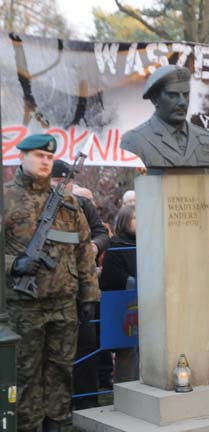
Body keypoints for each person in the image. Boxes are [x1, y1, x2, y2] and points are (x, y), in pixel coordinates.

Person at [4, 134, 100, 432]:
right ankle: (27, 427)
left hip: (64, 304)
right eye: (38, 155)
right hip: (23, 306)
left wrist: (89, 296)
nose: (45, 161)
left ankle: (58, 425)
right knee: (26, 374)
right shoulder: (6, 198)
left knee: (61, 371)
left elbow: (84, 249)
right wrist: (14, 264)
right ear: (22, 157)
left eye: (49, 157)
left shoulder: (69, 202)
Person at [50, 160, 110, 410]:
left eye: (68, 181)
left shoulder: (82, 204)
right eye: (57, 181)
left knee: (86, 346)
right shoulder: (36, 206)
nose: (63, 185)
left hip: (82, 287)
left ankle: (87, 402)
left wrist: (94, 245)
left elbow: (102, 233)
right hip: (50, 288)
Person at [120, 65, 209, 168]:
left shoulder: (208, 139)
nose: (182, 102)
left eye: (185, 95)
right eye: (173, 95)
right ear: (155, 99)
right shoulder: (134, 140)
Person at [99, 205, 138, 383]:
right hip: (125, 306)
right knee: (127, 351)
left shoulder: (150, 241)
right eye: (135, 218)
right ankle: (125, 388)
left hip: (149, 303)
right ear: (125, 221)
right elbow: (111, 276)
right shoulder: (116, 244)